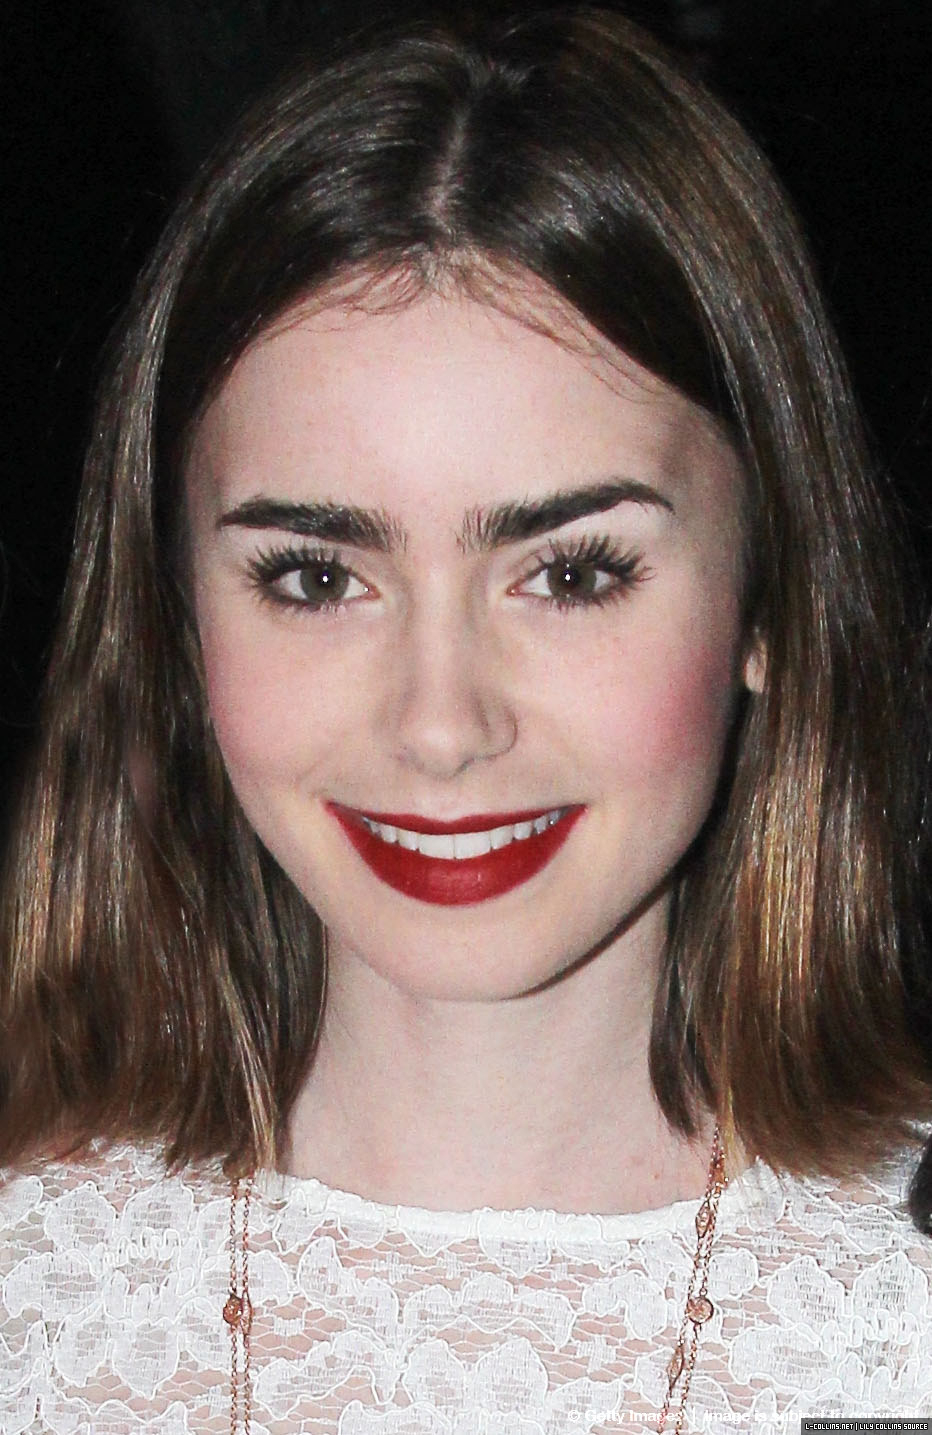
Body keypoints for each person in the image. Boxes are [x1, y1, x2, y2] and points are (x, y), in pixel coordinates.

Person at [1, 7, 931, 1432]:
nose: (441, 727)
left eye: (572, 574)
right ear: (177, 619)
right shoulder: (37, 1290)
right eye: (318, 578)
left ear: (770, 599)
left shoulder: (896, 1310)